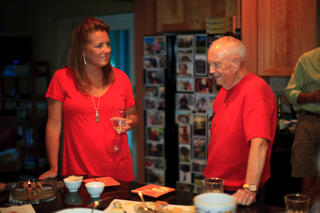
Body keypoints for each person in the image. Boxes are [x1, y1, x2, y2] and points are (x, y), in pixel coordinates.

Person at [39, 17, 138, 181]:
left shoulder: (121, 78)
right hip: (78, 172)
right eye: (99, 45)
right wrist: (53, 167)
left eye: (108, 44)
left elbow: (133, 115)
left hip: (118, 170)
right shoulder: (61, 78)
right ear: (82, 50)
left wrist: (130, 123)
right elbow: (54, 126)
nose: (106, 49)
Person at [203, 36, 277, 206]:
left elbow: (260, 144)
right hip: (216, 184)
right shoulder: (225, 88)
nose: (211, 70)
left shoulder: (255, 90)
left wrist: (250, 188)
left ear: (236, 63)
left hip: (239, 190)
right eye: (210, 64)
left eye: (217, 64)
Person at [283, 47, 320, 206]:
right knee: (306, 173)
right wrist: (311, 97)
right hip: (308, 122)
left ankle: (301, 207)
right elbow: (289, 93)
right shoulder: (307, 59)